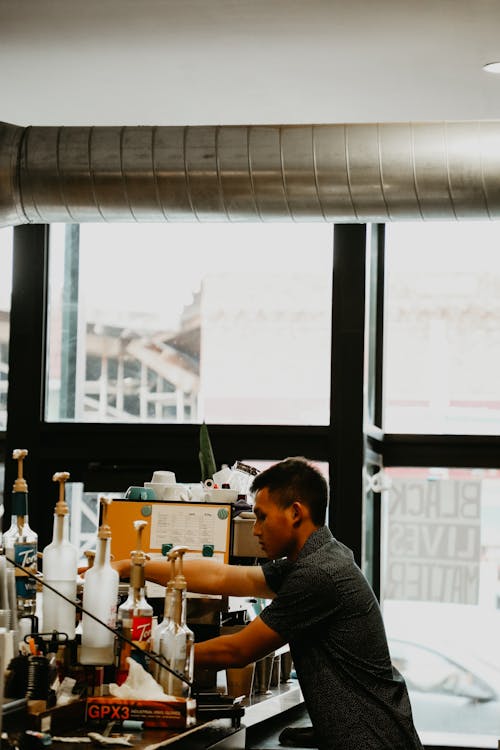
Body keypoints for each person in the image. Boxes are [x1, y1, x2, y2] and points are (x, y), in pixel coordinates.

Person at [114, 457, 423, 750]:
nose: (256, 529)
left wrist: (143, 655)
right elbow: (220, 576)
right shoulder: (317, 558)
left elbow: (237, 650)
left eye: (261, 516)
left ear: (295, 513)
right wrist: (131, 565)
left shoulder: (319, 574)